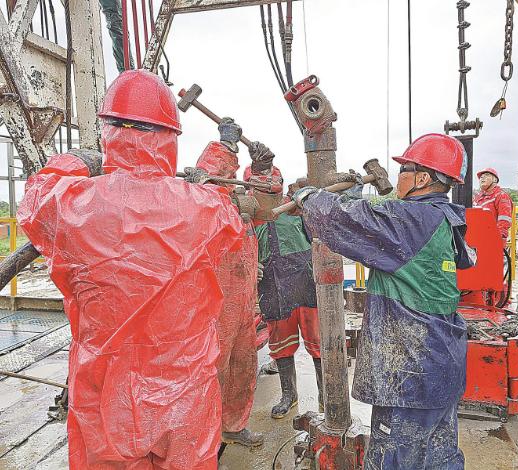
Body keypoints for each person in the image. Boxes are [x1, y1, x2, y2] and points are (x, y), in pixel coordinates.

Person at [17, 70, 244, 469]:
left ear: (108, 132)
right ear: (170, 137)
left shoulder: (73, 205)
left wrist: (78, 161)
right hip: (185, 394)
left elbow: (36, 197)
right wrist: (219, 154)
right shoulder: (205, 208)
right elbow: (229, 220)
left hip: (105, 395)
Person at [292, 133, 475, 469]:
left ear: (422, 177)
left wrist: (309, 198)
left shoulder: (410, 219)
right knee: (439, 457)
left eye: (404, 169)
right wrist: (355, 196)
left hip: (410, 374)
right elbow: (375, 219)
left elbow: (338, 221)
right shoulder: (443, 218)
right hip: (441, 366)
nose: (399, 176)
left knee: (394, 458)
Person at [185, 123, 265, 448]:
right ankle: (207, 433)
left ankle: (234, 424)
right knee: (212, 370)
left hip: (244, 300)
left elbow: (271, 201)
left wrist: (262, 168)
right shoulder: (206, 198)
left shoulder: (237, 199)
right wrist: (226, 145)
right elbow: (208, 176)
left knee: (244, 366)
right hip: (216, 304)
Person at [246, 152, 323, 420]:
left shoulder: (294, 209)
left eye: (271, 183)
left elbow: (318, 236)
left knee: (318, 341)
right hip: (273, 286)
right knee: (281, 343)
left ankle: (327, 393)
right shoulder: (247, 218)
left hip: (305, 284)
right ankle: (289, 394)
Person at [473, 167, 514, 243]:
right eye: (481, 176)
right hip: (478, 240)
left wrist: (497, 239)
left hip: (492, 241)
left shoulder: (501, 196)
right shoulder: (479, 198)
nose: (482, 177)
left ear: (495, 180)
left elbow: (504, 220)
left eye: (487, 175)